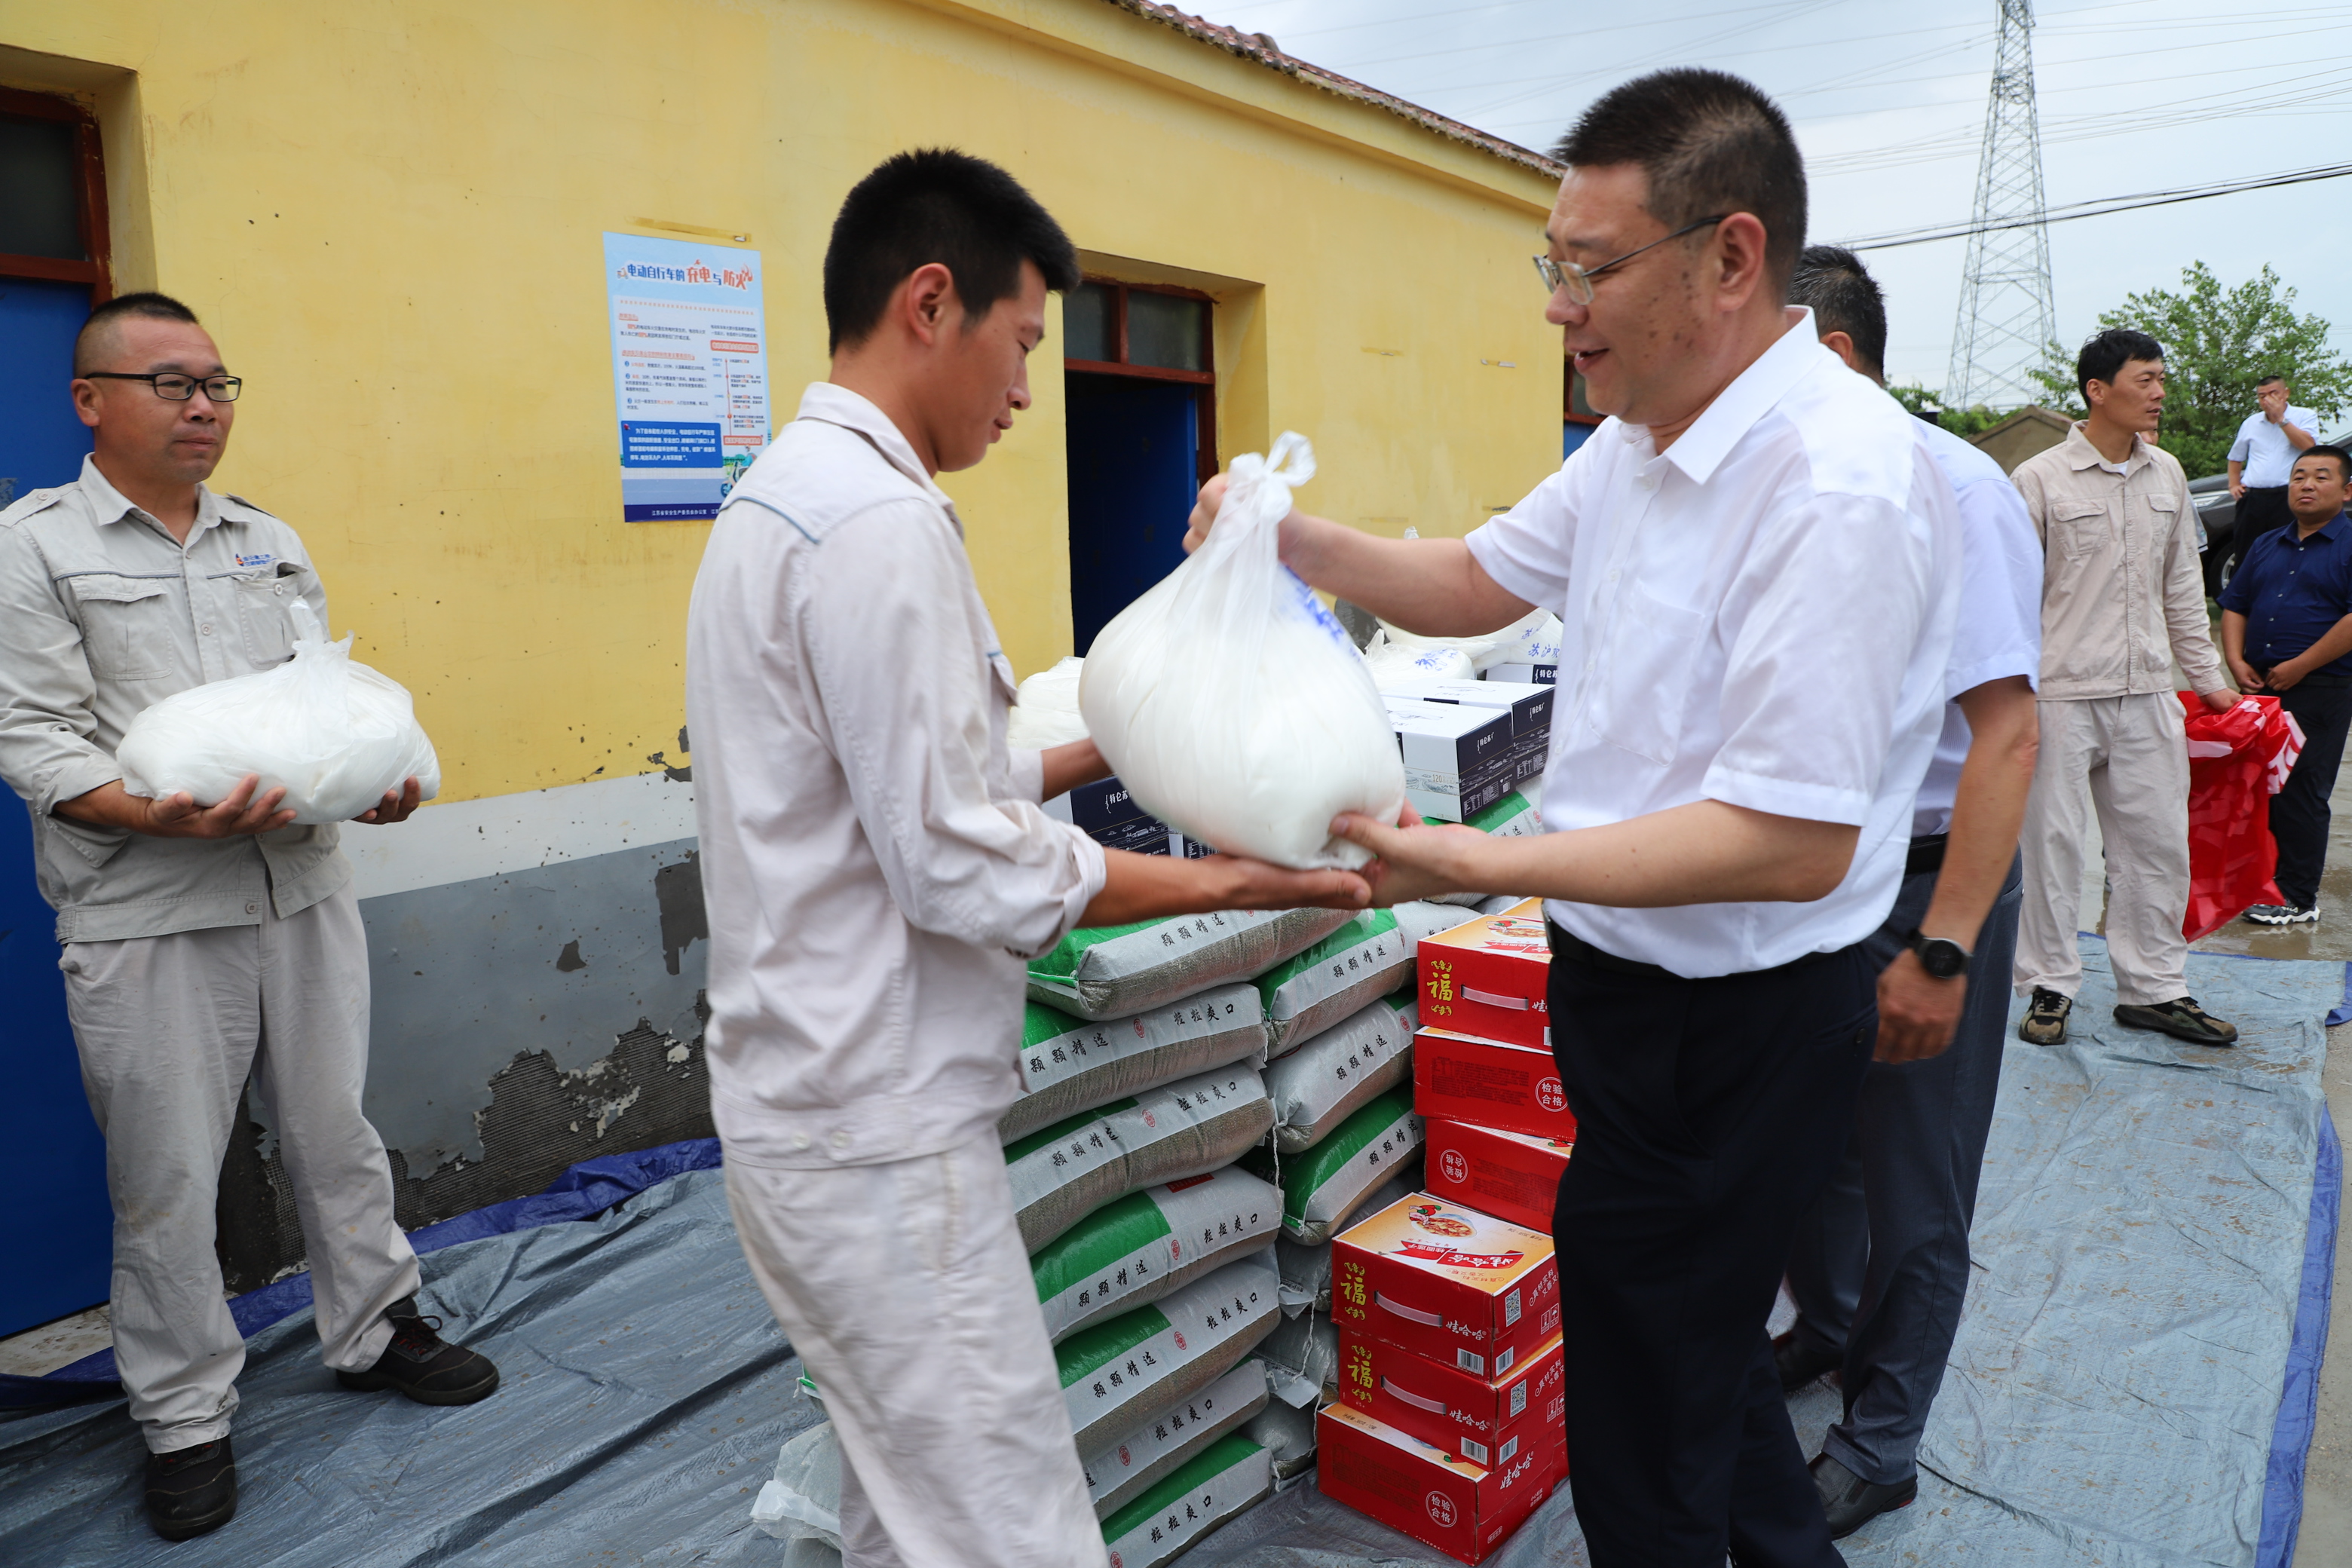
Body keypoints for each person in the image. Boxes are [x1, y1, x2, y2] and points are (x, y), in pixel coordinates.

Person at [1192, 71, 1960, 1568]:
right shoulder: (1640, 439)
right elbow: (1478, 578)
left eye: (1590, 268)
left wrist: (1481, 861)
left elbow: (1791, 835)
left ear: (1729, 258)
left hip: (1739, 1021)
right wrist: (1286, 535)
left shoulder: (1835, 484)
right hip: (1626, 990)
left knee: (1642, 1420)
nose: (1559, 306)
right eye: (1553, 264)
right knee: (1692, 1342)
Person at [682, 150, 1370, 1568]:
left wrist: (1120, 743)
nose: (1022, 391)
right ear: (931, 303)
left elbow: (920, 784)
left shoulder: (787, 496)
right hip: (876, 1137)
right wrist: (1242, 886)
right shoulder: (878, 525)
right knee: (1012, 1528)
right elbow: (959, 864)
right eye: (1023, 342)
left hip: (810, 1111)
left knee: (902, 1511)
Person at [0, 293, 497, 1542]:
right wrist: (151, 813)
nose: (205, 405)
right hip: (148, 909)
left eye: (218, 382)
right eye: (172, 382)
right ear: (90, 401)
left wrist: (369, 782)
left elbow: (319, 702)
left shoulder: (265, 540)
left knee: (336, 1131)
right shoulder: (34, 548)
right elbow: (31, 733)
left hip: (300, 887)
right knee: (165, 1171)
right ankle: (182, 1415)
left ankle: (375, 1326)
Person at [1774, 246, 2042, 1537]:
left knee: (1915, 1175)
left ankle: (1883, 1439)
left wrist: (1945, 946)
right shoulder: (1797, 486)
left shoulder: (1957, 487)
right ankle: (1827, 1326)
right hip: (1818, 876)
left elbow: (2007, 733)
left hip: (1931, 879)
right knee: (1818, 1134)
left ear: (1828, 354)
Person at [2011, 330, 2239, 1047]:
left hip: (2147, 693)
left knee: (2157, 846)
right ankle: (2049, 984)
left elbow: (2184, 590)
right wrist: (2009, 698)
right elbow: (2010, 599)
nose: (2160, 392)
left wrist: (2210, 684)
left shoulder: (2167, 474)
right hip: (2059, 692)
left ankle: (2154, 989)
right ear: (2097, 390)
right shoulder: (2039, 479)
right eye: (2146, 379)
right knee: (2052, 848)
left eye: (2162, 378)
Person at [2221, 444, 2352, 925]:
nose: (2307, 485)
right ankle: (2264, 882)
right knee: (2261, 788)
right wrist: (2235, 660)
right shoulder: (2266, 543)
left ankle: (2298, 896)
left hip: (2322, 687)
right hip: (2261, 688)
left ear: (2347, 491)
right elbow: (2235, 603)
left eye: (2321, 476)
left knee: (2302, 789)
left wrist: (2301, 665)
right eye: (2299, 477)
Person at [2225, 375, 2321, 577]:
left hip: (2288, 496)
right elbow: (2236, 457)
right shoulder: (2251, 423)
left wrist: (2281, 420)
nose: (2267, 400)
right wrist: (2234, 484)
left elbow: (2309, 447)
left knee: (2288, 550)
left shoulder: (2305, 415)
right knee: (2247, 552)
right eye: (2262, 396)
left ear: (2286, 394)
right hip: (2253, 497)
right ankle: (2245, 594)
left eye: (2273, 394)